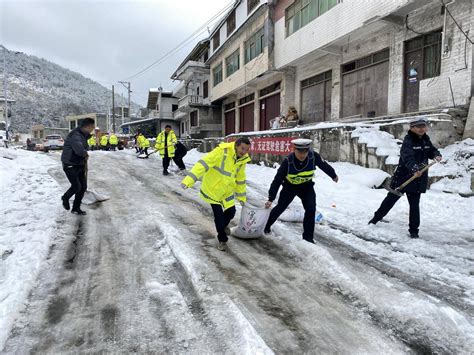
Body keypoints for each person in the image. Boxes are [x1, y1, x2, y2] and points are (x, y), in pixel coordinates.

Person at [369, 117, 442, 239]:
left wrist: (436, 155)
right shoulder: (408, 141)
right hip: (403, 178)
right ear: (412, 128)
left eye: (423, 126)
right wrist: (414, 168)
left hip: (417, 179)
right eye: (418, 127)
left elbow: (432, 151)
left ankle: (414, 231)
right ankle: (376, 219)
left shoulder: (425, 140)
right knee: (390, 200)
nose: (421, 129)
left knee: (414, 205)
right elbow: (407, 157)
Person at [180, 137, 251, 251]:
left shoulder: (242, 160)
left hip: (227, 191)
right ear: (236, 145)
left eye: (246, 150)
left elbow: (240, 180)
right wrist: (189, 180)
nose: (244, 152)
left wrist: (241, 197)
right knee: (219, 216)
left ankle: (223, 226)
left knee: (231, 212)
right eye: (242, 148)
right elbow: (203, 164)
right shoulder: (221, 151)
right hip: (213, 190)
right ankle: (222, 239)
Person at [264, 138, 338, 243]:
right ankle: (266, 226)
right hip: (290, 187)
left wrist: (333, 175)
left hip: (306, 187)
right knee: (281, 207)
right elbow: (277, 180)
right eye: (300, 152)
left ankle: (308, 238)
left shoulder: (313, 156)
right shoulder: (288, 161)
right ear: (294, 150)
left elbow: (324, 165)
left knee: (311, 209)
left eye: (305, 152)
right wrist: (271, 198)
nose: (303, 155)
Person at [60, 117, 95, 215]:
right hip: (70, 164)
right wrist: (85, 154)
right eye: (92, 127)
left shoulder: (82, 134)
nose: (92, 129)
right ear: (88, 127)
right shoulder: (75, 135)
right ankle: (65, 197)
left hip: (79, 164)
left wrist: (89, 136)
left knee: (83, 187)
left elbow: (84, 142)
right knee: (76, 186)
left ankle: (76, 208)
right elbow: (79, 150)